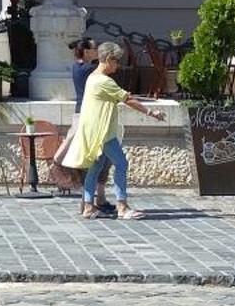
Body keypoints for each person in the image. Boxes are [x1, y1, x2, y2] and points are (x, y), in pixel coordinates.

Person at [65, 42, 164, 220]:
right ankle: (122, 206)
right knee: (121, 163)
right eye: (116, 61)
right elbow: (128, 99)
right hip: (103, 133)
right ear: (109, 60)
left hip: (95, 132)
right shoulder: (104, 81)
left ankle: (89, 207)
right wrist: (152, 113)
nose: (117, 65)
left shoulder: (93, 77)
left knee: (95, 168)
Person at [68, 39, 111, 212]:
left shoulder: (76, 67)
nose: (96, 51)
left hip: (80, 114)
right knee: (95, 159)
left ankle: (96, 198)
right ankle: (89, 202)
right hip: (88, 116)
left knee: (96, 159)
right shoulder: (89, 69)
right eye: (94, 49)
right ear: (86, 52)